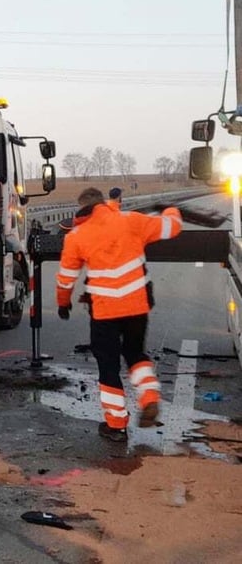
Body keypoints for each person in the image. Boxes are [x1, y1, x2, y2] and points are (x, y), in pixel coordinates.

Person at [55, 187, 183, 442]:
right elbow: (173, 227)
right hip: (136, 306)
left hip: (104, 312)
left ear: (80, 209)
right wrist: (169, 208)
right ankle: (149, 398)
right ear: (103, 203)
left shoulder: (76, 236)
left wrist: (63, 304)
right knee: (136, 354)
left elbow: (66, 279)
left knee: (108, 365)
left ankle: (116, 426)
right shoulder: (131, 220)